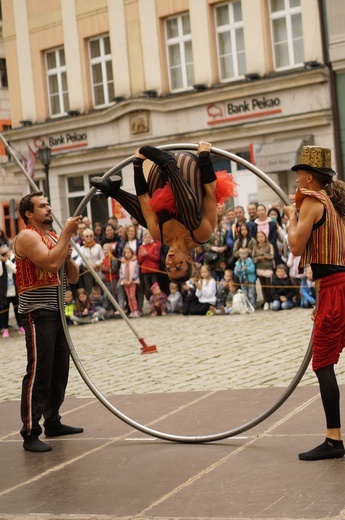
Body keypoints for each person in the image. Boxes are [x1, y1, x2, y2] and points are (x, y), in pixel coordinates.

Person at [90, 142, 236, 283]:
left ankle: (114, 191)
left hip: (158, 174)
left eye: (168, 267)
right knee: (192, 222)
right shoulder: (201, 235)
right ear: (189, 259)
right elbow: (210, 192)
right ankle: (169, 166)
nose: (171, 262)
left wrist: (137, 165)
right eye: (177, 266)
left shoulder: (158, 235)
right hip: (187, 170)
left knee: (145, 220)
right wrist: (204, 156)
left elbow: (143, 198)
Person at [284, 145, 345, 461]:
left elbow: (296, 246)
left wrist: (291, 218)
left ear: (309, 175)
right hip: (334, 286)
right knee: (324, 360)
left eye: (298, 175)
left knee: (322, 362)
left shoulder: (311, 201)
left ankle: (334, 440)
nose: (296, 181)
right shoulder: (332, 206)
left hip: (335, 287)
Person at [13, 191, 83, 452]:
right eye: (42, 206)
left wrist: (66, 251)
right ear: (29, 214)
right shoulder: (27, 236)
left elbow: (72, 277)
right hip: (37, 312)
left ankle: (53, 420)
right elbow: (50, 265)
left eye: (48, 204)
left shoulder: (53, 237)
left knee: (59, 370)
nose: (48, 208)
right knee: (39, 371)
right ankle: (30, 430)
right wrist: (65, 237)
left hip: (57, 311)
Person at [0, 245, 25, 336]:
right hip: (5, 292)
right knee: (5, 312)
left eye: (6, 253)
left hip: (15, 290)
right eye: (3, 254)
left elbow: (16, 270)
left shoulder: (14, 260)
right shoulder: (1, 264)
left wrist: (6, 261)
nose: (5, 255)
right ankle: (5, 328)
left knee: (18, 310)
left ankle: (21, 326)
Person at [252, 231, 275, 310]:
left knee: (269, 286)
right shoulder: (255, 248)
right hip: (260, 268)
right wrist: (258, 258)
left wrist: (264, 255)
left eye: (262, 237)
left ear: (265, 237)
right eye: (258, 237)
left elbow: (271, 256)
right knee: (263, 286)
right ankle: (266, 301)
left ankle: (270, 300)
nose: (260, 239)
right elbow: (253, 258)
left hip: (268, 268)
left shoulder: (269, 246)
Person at [78, 228, 104, 293]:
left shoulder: (98, 246)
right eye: (87, 236)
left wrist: (96, 264)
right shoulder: (81, 249)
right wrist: (89, 266)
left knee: (100, 288)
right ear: (83, 237)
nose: (89, 237)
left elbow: (103, 258)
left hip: (98, 270)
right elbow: (81, 260)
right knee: (89, 289)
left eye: (91, 236)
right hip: (87, 271)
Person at [137, 230, 161, 300]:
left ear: (151, 238)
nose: (147, 239)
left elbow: (157, 258)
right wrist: (142, 255)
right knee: (148, 288)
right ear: (143, 239)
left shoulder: (155, 245)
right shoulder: (141, 247)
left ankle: (159, 302)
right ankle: (152, 303)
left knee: (156, 287)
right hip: (145, 271)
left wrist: (147, 254)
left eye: (148, 237)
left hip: (154, 270)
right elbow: (139, 260)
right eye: (145, 237)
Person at [119, 246, 141, 318]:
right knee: (128, 297)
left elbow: (137, 272)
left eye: (129, 252)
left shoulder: (135, 262)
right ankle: (131, 310)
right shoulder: (123, 263)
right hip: (125, 282)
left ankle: (135, 310)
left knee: (132, 296)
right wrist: (123, 279)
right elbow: (121, 272)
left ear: (132, 253)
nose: (127, 254)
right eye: (126, 253)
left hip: (132, 282)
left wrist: (132, 279)